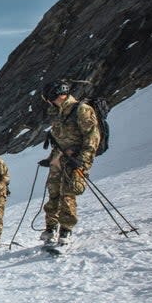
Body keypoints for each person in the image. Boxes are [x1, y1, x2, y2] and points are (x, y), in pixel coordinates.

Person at [39, 80, 100, 245]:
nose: (47, 101)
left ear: (53, 95)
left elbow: (92, 138)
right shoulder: (57, 112)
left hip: (74, 160)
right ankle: (50, 228)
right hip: (58, 160)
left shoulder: (82, 110)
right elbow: (59, 139)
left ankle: (65, 230)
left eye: (47, 98)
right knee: (53, 193)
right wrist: (50, 159)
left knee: (68, 194)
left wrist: (82, 162)